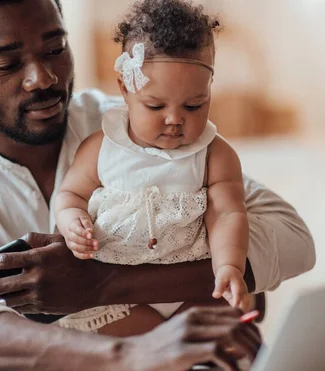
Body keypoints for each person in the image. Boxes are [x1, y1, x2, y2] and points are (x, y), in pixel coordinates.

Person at [0, 0, 315, 371]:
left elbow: (290, 236)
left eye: (55, 49)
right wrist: (131, 356)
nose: (43, 77)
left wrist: (108, 283)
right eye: (7, 65)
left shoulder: (133, 127)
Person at [55, 0, 249, 334]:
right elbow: (71, 193)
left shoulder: (215, 155)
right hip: (115, 292)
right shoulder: (101, 148)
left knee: (234, 316)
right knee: (120, 334)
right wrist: (72, 220)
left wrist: (229, 265)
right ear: (125, 89)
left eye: (194, 105)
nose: (175, 119)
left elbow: (228, 214)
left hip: (189, 283)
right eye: (155, 105)